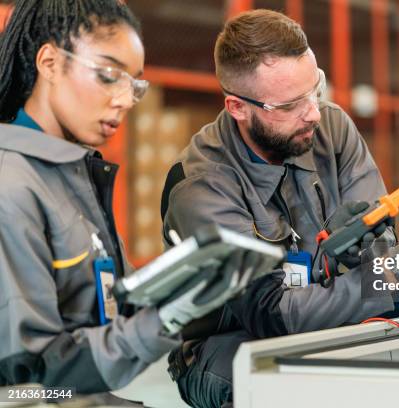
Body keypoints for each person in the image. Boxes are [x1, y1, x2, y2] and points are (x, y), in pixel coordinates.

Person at [161, 9, 399, 408]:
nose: (313, 112)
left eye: (315, 89)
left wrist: (364, 244)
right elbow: (273, 314)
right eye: (290, 104)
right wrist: (396, 271)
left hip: (325, 310)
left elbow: (381, 247)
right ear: (238, 108)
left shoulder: (331, 129)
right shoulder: (202, 188)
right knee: (263, 385)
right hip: (230, 341)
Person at [0, 0, 243, 396]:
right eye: (108, 74)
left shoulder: (71, 175)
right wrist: (164, 318)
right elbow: (27, 379)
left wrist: (181, 282)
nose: (125, 99)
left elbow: (112, 301)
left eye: (134, 83)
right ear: (48, 63)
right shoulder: (12, 187)